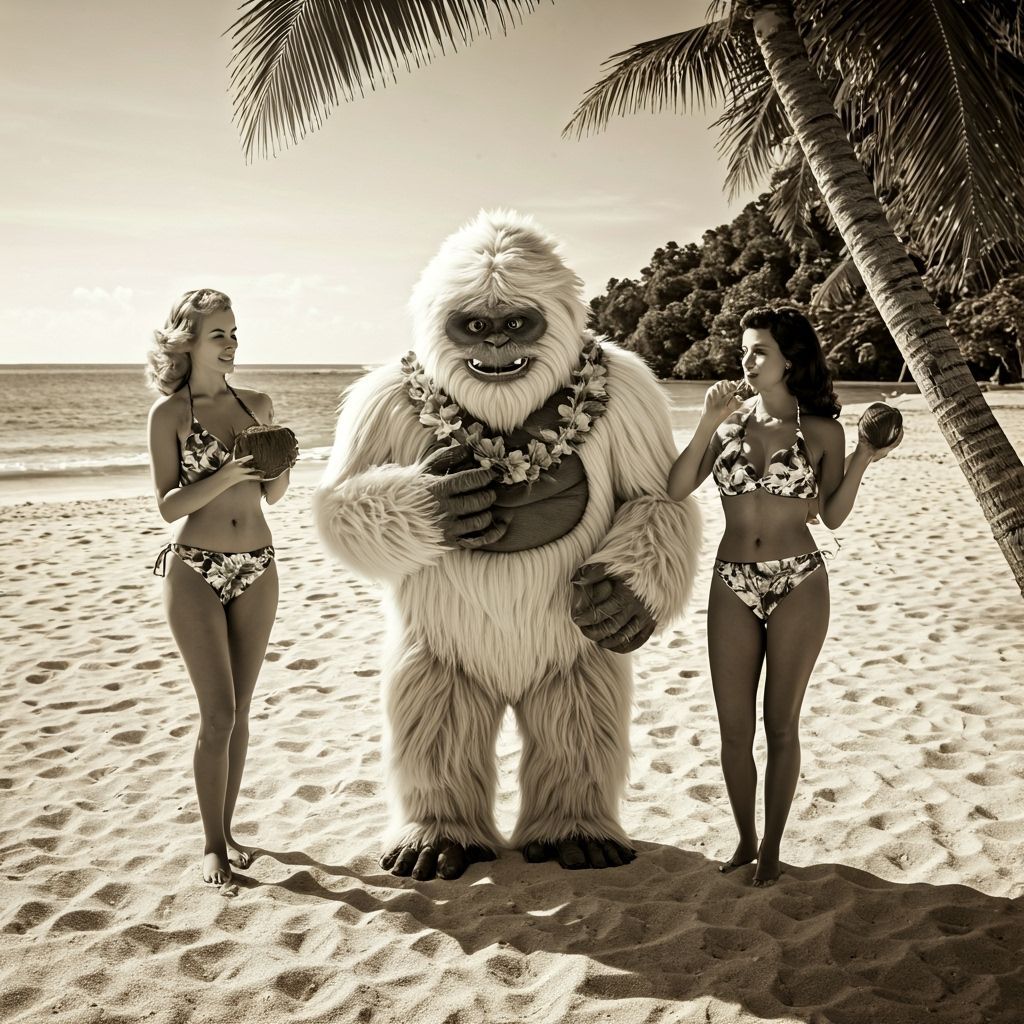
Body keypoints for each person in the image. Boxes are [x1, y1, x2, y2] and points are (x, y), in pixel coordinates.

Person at [668, 306, 901, 886]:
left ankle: (773, 844)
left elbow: (831, 515)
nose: (746, 361)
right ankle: (745, 837)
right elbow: (675, 489)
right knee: (732, 728)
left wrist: (863, 460)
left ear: (789, 359)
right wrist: (705, 421)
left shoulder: (820, 430)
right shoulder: (726, 424)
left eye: (759, 351)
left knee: (782, 724)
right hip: (732, 580)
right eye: (744, 350)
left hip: (798, 578)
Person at [146, 288, 290, 885]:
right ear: (189, 342)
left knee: (243, 712)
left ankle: (229, 829)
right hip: (196, 569)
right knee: (219, 714)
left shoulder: (257, 403)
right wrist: (226, 471)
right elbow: (168, 505)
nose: (231, 344)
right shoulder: (170, 414)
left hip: (259, 564)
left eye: (234, 333)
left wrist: (278, 465)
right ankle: (211, 845)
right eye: (219, 335)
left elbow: (271, 496)